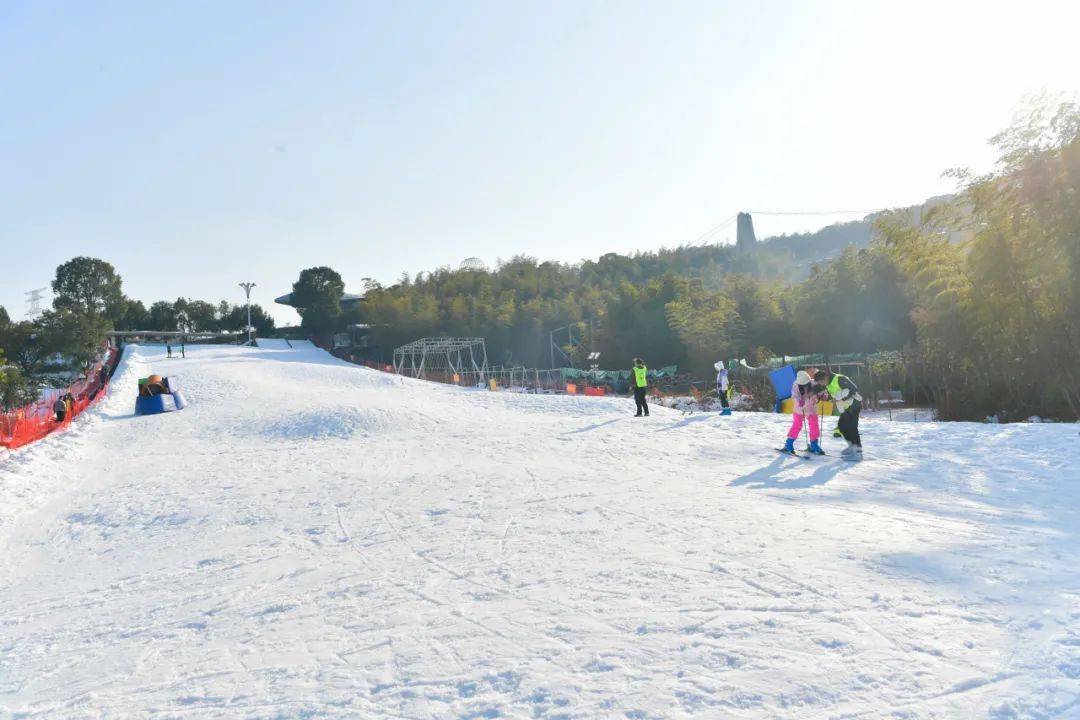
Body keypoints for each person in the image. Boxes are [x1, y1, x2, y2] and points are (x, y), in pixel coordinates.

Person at [815, 369, 863, 460]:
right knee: (842, 426)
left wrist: (842, 398)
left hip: (854, 404)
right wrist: (826, 398)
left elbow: (854, 388)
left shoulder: (839, 378)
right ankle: (852, 446)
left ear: (825, 377)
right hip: (846, 407)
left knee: (851, 427)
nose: (822, 384)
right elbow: (833, 395)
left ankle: (857, 452)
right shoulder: (828, 384)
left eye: (821, 382)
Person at [782, 370, 825, 455]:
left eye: (807, 384)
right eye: (803, 385)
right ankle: (789, 444)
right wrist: (799, 401)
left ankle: (814, 444)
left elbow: (821, 391)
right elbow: (794, 397)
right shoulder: (795, 385)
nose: (805, 386)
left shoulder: (813, 383)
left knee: (814, 425)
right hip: (799, 409)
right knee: (797, 425)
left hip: (811, 408)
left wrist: (823, 395)